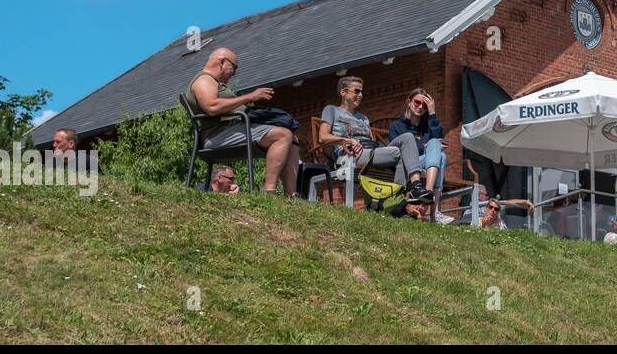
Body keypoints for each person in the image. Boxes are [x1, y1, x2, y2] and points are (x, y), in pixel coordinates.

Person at [188, 47, 299, 195]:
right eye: (233, 67)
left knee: (293, 139)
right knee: (283, 135)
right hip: (217, 135)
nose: (234, 72)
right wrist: (249, 97)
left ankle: (290, 196)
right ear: (221, 62)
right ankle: (270, 191)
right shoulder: (204, 79)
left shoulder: (215, 82)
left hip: (232, 129)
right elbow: (211, 106)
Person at [317, 76, 432, 205]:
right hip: (350, 155)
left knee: (408, 137)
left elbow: (371, 142)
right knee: (400, 154)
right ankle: (401, 199)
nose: (360, 95)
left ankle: (410, 190)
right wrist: (346, 140)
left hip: (371, 152)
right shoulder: (332, 110)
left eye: (361, 92)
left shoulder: (363, 118)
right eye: (356, 91)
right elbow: (322, 137)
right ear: (343, 92)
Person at [387, 89, 453, 223]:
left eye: (424, 105)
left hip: (426, 165)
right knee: (441, 156)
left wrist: (432, 112)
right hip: (406, 165)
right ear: (409, 102)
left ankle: (426, 192)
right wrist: (425, 147)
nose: (420, 107)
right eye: (417, 102)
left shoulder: (427, 127)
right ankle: (434, 212)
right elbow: (396, 152)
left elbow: (439, 138)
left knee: (438, 150)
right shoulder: (397, 126)